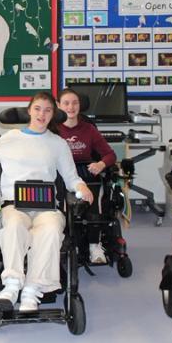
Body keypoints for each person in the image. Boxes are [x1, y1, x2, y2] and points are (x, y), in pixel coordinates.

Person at [0, 92, 94, 312]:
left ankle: (32, 289)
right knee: (15, 225)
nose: (42, 114)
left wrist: (81, 187)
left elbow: (70, 177)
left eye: (48, 110)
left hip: (45, 205)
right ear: (29, 110)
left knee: (51, 229)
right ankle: (12, 284)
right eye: (38, 108)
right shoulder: (10, 138)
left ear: (53, 114)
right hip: (14, 204)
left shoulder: (57, 143)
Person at [56, 89, 118, 264]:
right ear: (58, 106)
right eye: (66, 103)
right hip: (60, 173)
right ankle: (59, 242)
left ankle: (94, 245)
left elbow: (110, 155)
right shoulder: (53, 130)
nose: (71, 107)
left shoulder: (89, 129)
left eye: (74, 103)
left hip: (85, 172)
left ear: (80, 105)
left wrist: (101, 164)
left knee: (93, 204)